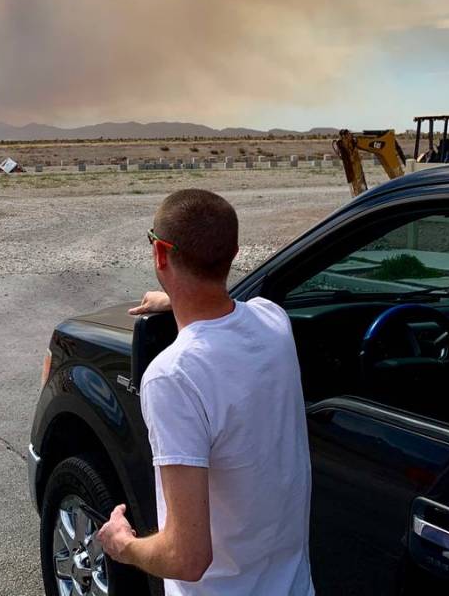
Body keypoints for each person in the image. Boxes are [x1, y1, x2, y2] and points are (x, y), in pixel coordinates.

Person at [97, 188, 314, 595]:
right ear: (233, 253)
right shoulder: (274, 323)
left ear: (160, 253)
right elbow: (234, 309)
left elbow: (187, 559)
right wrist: (177, 299)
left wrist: (122, 545)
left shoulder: (174, 376)